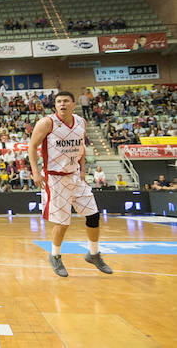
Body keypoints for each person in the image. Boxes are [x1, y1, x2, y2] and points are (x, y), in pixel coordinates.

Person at [28, 91, 112, 278]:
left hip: (74, 175)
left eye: (66, 101)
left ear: (74, 104)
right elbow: (32, 146)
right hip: (54, 177)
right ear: (55, 105)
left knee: (93, 215)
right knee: (63, 222)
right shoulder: (47, 123)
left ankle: (93, 254)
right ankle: (55, 256)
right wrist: (35, 172)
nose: (62, 104)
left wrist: (82, 169)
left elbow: (80, 148)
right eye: (58, 101)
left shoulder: (81, 122)